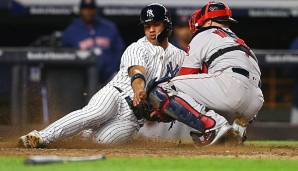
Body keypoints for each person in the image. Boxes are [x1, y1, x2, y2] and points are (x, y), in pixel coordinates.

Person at [18, 3, 186, 148]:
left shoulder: (180, 57)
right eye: (146, 25)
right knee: (96, 112)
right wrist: (139, 89)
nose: (150, 30)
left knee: (99, 142)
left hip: (134, 118)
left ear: (167, 24)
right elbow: (136, 72)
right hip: (117, 95)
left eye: (155, 24)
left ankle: (85, 133)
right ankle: (41, 137)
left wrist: (164, 113)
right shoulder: (138, 47)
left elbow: (184, 88)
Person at [144, 1, 264, 146]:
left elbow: (184, 76)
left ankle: (213, 126)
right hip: (254, 103)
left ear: (209, 20)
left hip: (231, 88)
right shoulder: (240, 43)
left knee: (160, 89)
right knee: (211, 96)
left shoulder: (205, 34)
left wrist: (165, 108)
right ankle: (236, 131)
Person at [62, 0, 125, 84]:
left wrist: (112, 68)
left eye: (91, 9)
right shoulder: (71, 31)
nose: (88, 12)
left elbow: (119, 50)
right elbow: (66, 55)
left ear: (95, 10)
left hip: (110, 76)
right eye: (85, 9)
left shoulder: (109, 27)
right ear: (80, 10)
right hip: (82, 78)